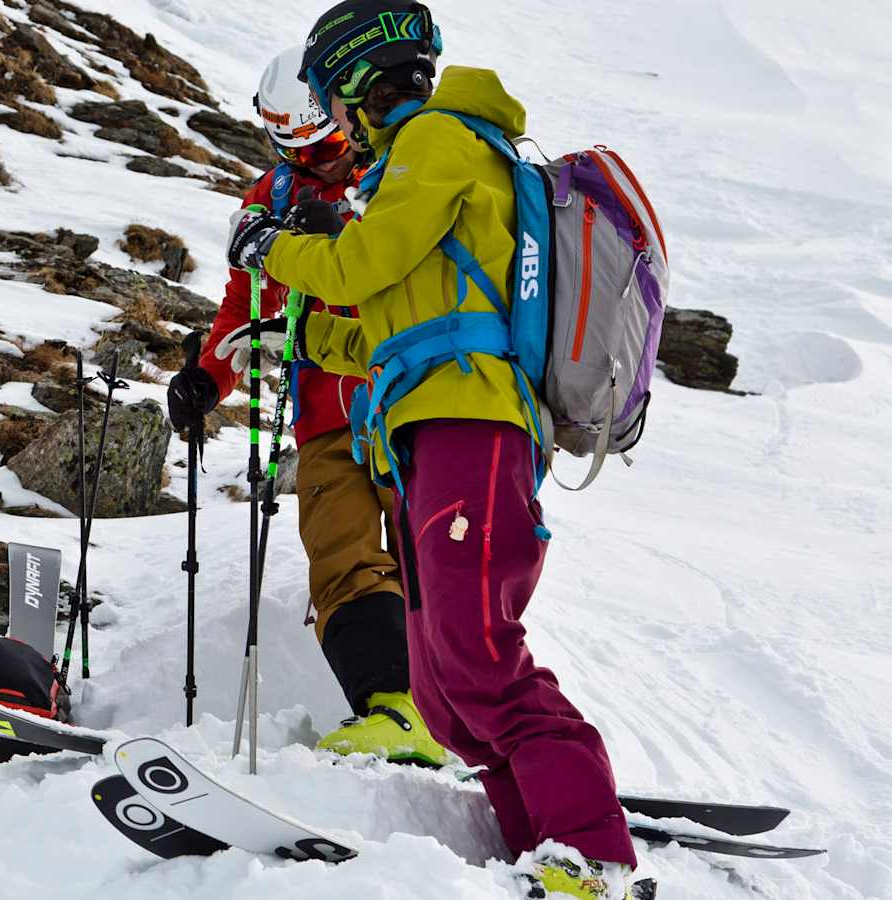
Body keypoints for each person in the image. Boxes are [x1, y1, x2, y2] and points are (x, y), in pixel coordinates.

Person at [220, 3, 638, 897]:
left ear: (365, 82)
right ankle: (540, 850)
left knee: (476, 648)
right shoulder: (424, 158)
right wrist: (296, 346)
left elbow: (359, 267)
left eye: (337, 98)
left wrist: (275, 248)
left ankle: (592, 852)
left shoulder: (440, 139)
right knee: (445, 692)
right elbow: (386, 325)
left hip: (473, 423)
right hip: (423, 420)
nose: (339, 121)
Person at [167, 46, 447, 767]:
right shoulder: (270, 202)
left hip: (418, 398)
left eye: (326, 145)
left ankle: (458, 717)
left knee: (438, 558)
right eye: (291, 148)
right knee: (342, 556)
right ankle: (389, 709)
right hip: (326, 414)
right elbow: (244, 306)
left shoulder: (405, 173)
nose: (316, 162)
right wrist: (206, 380)